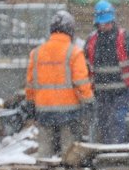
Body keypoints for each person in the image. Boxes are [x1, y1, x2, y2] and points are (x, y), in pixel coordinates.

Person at [24, 10, 94, 157]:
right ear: (70, 30)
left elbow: (30, 83)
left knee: (44, 153)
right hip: (68, 112)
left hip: (43, 111)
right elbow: (81, 82)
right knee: (68, 155)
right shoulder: (74, 52)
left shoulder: (36, 53)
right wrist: (89, 101)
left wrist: (30, 103)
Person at [84, 0, 129, 144]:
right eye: (102, 23)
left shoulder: (126, 39)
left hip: (122, 93)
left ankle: (116, 153)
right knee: (104, 125)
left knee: (117, 122)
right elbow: (85, 69)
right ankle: (109, 154)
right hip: (101, 95)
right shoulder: (92, 42)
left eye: (107, 22)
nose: (105, 26)